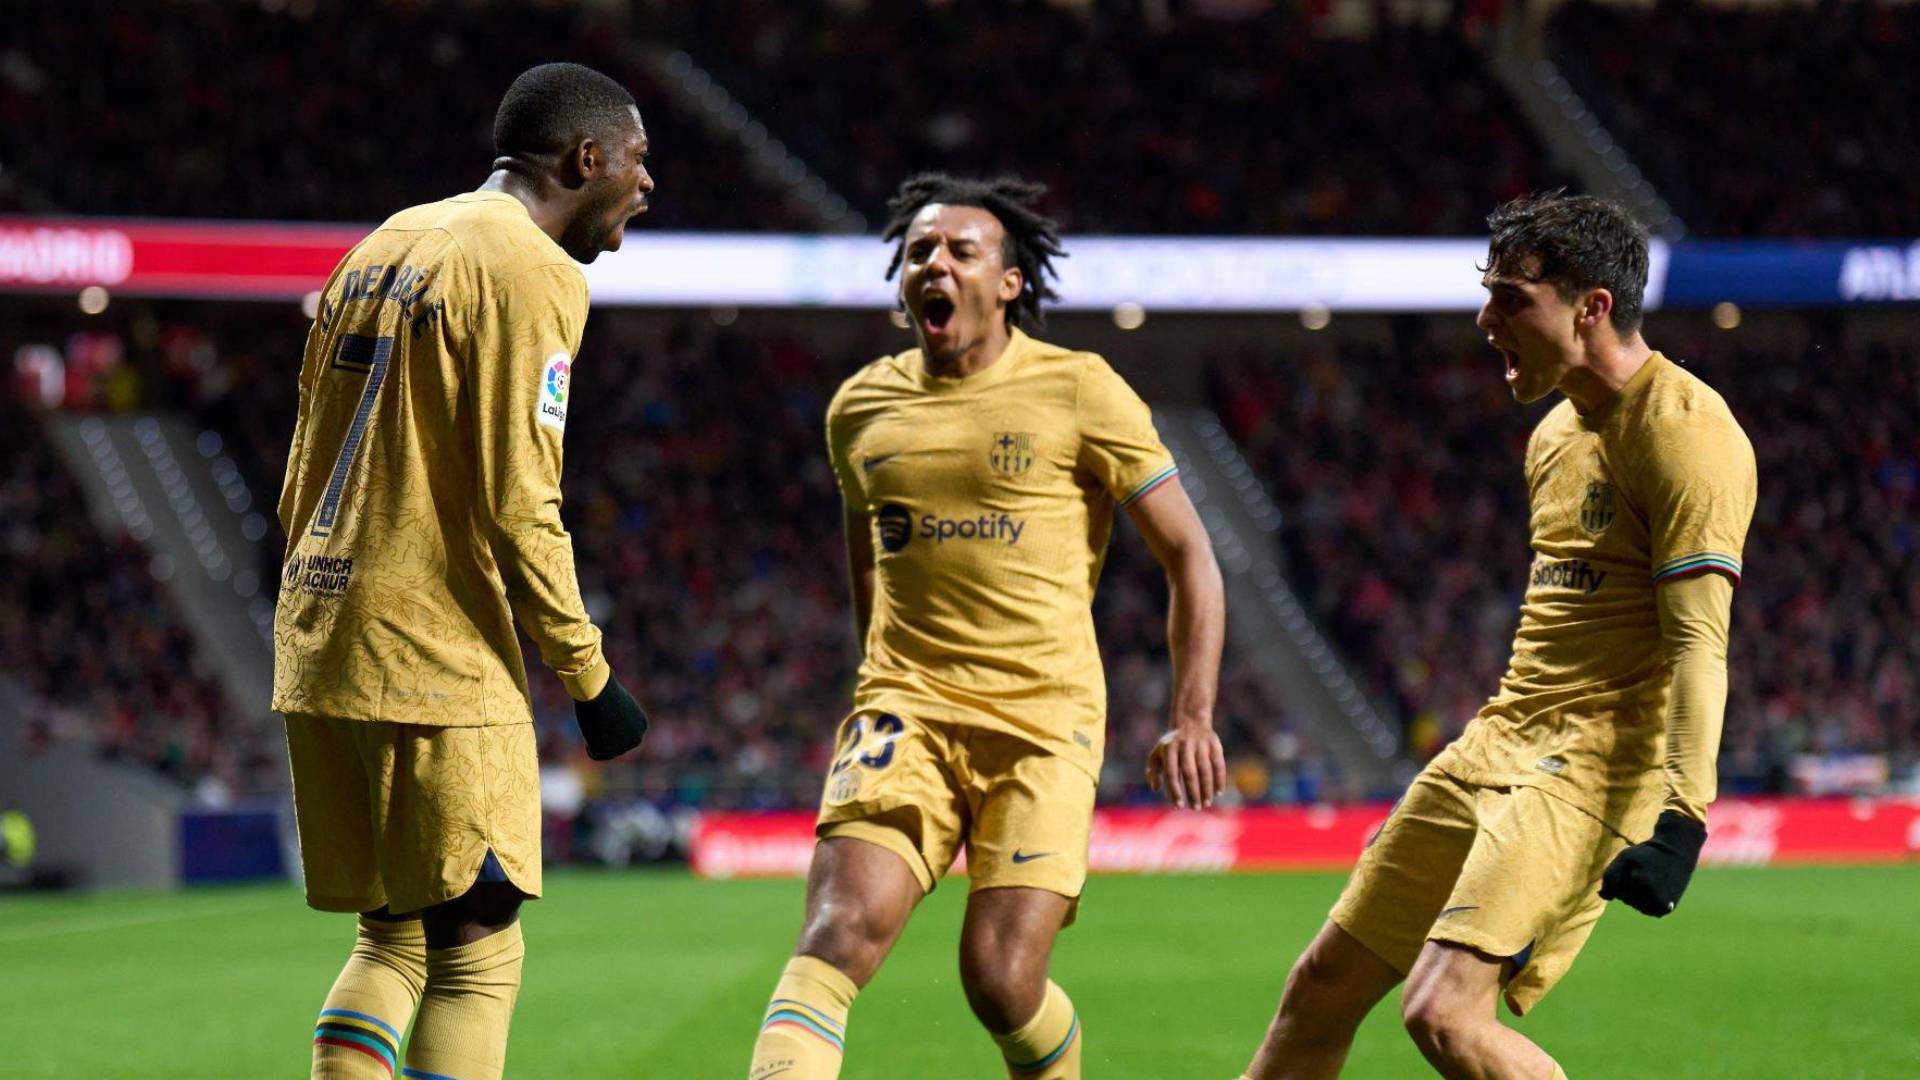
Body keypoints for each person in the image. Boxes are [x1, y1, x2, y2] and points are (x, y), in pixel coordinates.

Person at [1237, 191, 1757, 1079]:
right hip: (1498, 744)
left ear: (1593, 306)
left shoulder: (1687, 434)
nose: (1484, 320)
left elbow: (1700, 645)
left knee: (1443, 1012)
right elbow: (1563, 620)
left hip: (1594, 766)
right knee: (1320, 987)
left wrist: (1684, 819)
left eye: (1511, 298)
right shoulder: (1553, 432)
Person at [745, 172, 1227, 1080]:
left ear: (1008, 282)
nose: (937, 263)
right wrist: (877, 679)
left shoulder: (1080, 390)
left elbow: (1190, 556)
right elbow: (869, 563)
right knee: (837, 933)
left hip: (1043, 719)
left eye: (963, 251)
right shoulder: (860, 410)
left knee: (1001, 981)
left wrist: (1193, 714)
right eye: (921, 251)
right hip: (907, 710)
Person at [272, 61, 652, 1080]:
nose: (647, 185)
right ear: (587, 159)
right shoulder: (532, 270)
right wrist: (590, 678)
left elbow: (299, 470)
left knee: (391, 935)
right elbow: (519, 500)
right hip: (430, 650)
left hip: (320, 635)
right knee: (479, 948)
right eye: (638, 160)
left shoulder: (382, 243)